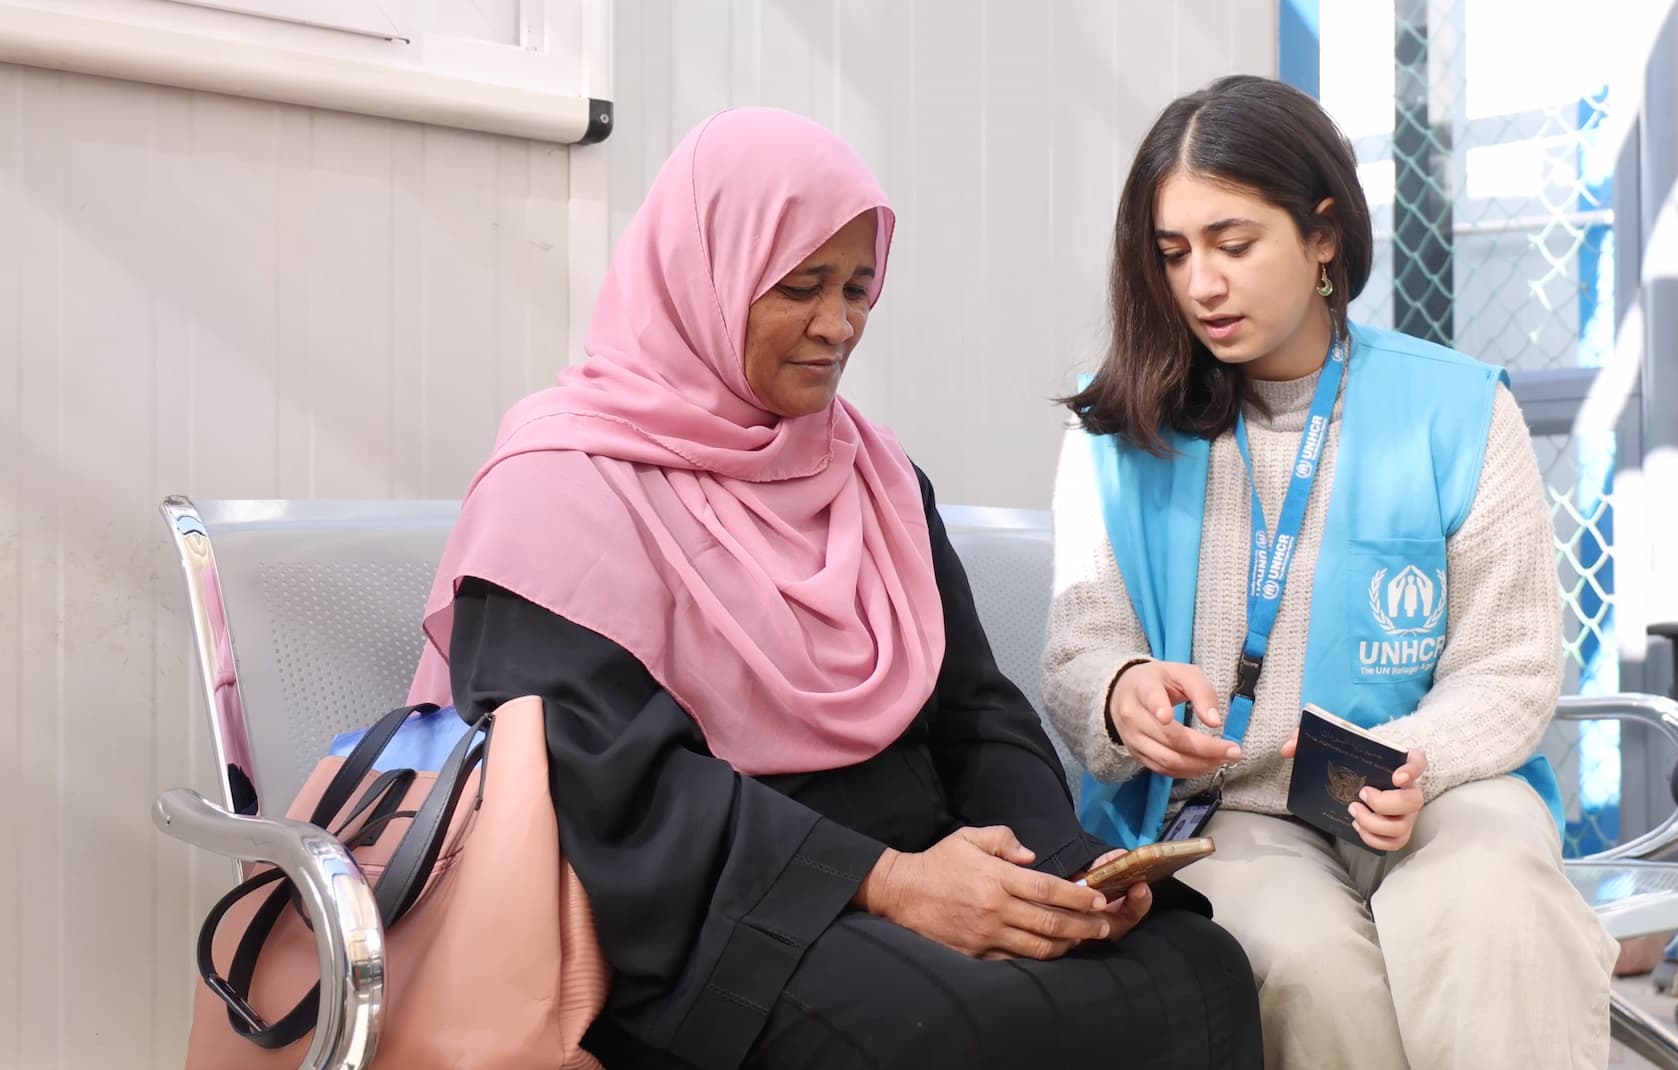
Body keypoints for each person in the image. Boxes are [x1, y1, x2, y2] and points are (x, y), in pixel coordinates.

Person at [405, 106, 1261, 1070]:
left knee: (1198, 968)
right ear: (703, 279)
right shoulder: (559, 486)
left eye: (859, 288)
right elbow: (608, 789)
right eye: (801, 288)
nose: (839, 325)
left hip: (921, 869)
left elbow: (973, 706)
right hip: (701, 917)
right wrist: (885, 882)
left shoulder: (872, 474)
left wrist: (1063, 863)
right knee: (952, 1034)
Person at [1042, 75, 1619, 1069]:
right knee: (1306, 971)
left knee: (1499, 911)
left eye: (1233, 243)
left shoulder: (1461, 410)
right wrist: (1121, 689)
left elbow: (1509, 665)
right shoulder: (1116, 432)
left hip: (1433, 785)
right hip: (1235, 808)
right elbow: (1082, 640)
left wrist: (1411, 756)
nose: (1202, 284)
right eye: (1174, 253)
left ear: (1323, 235)